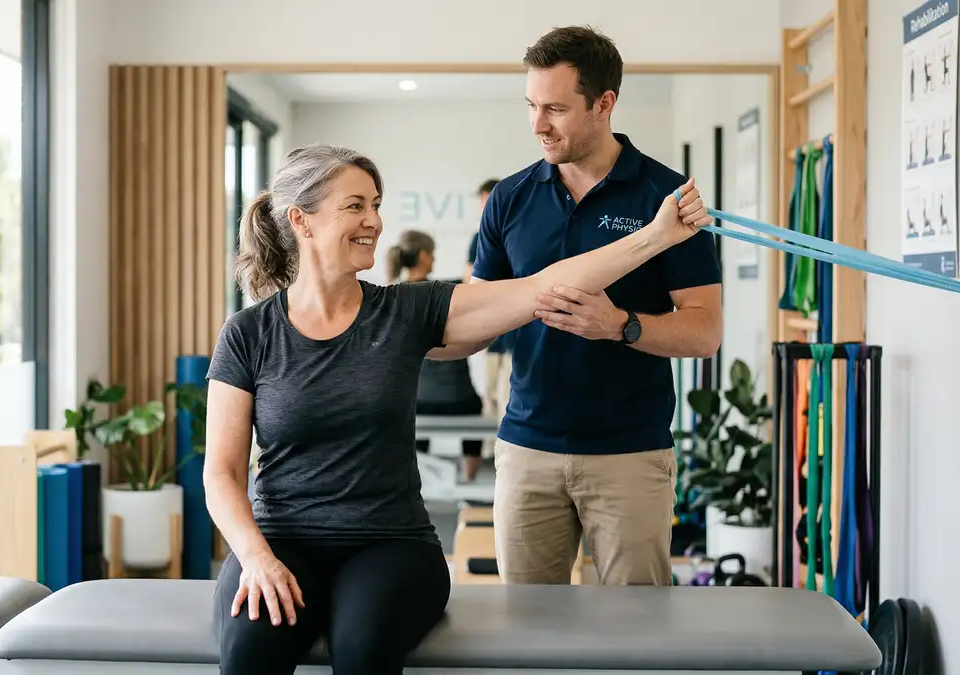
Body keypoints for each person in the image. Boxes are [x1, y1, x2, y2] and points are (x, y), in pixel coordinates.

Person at [203, 142, 711, 674]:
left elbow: (543, 286)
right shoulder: (249, 333)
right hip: (281, 539)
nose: (374, 221)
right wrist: (257, 558)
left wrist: (656, 237)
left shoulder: (406, 311)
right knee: (249, 654)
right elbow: (222, 472)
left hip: (390, 544)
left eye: (376, 204)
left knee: (363, 651)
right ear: (301, 222)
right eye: (355, 206)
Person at [432, 25, 724, 588]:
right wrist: (396, 342)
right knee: (527, 630)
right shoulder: (511, 199)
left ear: (604, 103)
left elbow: (705, 332)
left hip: (630, 453)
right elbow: (477, 318)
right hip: (526, 448)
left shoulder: (666, 201)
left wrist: (622, 326)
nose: (538, 125)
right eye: (532, 106)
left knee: (636, 635)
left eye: (557, 109)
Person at [387, 229, 485, 482]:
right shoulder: (450, 291)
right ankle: (470, 486)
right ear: (422, 255)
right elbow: (477, 278)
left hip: (417, 402)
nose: (434, 259)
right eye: (432, 254)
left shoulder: (389, 296)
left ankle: (419, 486)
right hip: (460, 401)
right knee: (476, 407)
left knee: (411, 420)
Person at [465, 179, 515, 421]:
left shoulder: (519, 232)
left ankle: (500, 443)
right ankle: (488, 449)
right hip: (489, 324)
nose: (483, 207)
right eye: (481, 202)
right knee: (489, 392)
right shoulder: (478, 239)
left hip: (516, 326)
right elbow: (469, 279)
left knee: (508, 391)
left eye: (485, 201)